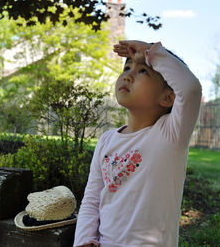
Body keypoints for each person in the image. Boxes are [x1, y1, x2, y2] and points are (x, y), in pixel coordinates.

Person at [73, 40, 202, 247]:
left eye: (143, 71)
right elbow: (92, 200)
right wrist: (84, 240)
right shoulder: (106, 141)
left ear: (168, 97)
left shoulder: (170, 135)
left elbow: (190, 89)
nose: (128, 75)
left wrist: (151, 52)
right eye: (126, 67)